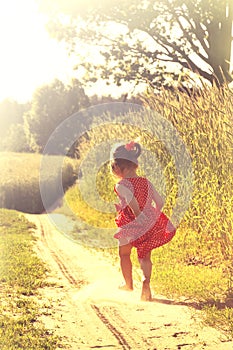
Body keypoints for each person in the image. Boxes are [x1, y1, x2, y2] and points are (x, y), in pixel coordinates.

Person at [111, 141, 176, 301]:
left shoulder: (121, 184)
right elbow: (159, 202)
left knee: (124, 254)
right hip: (148, 223)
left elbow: (132, 200)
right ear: (135, 164)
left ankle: (128, 284)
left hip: (129, 224)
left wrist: (138, 214)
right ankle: (146, 285)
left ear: (119, 168)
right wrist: (152, 215)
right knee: (145, 256)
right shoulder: (146, 183)